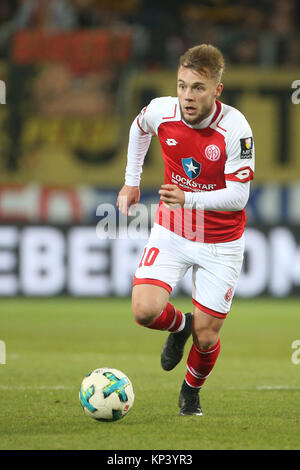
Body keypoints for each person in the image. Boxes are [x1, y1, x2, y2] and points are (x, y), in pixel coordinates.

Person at [117, 44, 255, 416]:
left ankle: (190, 392)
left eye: (197, 88)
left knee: (207, 337)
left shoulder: (235, 128)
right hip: (174, 229)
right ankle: (180, 327)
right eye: (181, 86)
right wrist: (132, 181)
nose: (187, 97)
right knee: (145, 310)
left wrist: (189, 198)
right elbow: (138, 126)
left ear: (216, 91)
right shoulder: (163, 110)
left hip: (221, 241)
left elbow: (239, 196)